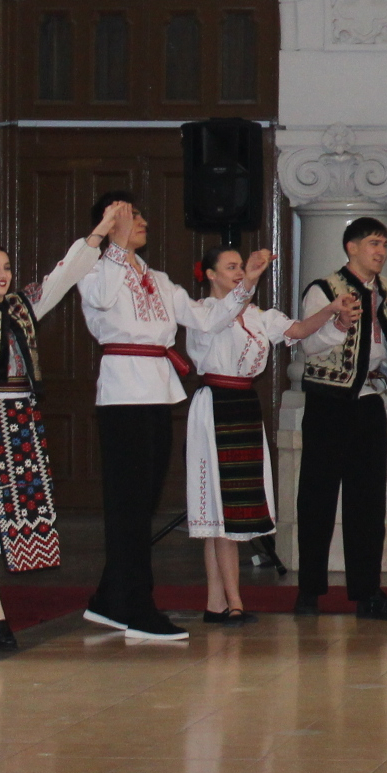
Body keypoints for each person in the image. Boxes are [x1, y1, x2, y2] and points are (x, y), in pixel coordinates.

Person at [75, 192, 269, 643]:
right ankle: (135, 606)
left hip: (158, 390)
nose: (141, 221)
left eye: (140, 214)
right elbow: (100, 298)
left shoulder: (158, 278)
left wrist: (247, 283)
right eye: (131, 215)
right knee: (127, 505)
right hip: (123, 391)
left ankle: (110, 599)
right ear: (109, 223)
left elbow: (207, 319)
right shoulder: (94, 269)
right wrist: (114, 244)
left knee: (142, 501)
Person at [0, 177, 101, 650]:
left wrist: (96, 237)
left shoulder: (23, 306)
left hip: (21, 419)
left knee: (7, 517)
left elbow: (63, 276)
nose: (3, 274)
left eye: (6, 267)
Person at [185, 245, 333, 625]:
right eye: (230, 267)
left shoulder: (257, 315)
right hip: (215, 406)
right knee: (218, 510)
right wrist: (250, 280)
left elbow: (298, 330)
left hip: (244, 406)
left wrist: (332, 310)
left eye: (242, 267)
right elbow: (222, 317)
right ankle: (232, 601)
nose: (238, 272)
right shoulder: (201, 312)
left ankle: (217, 603)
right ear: (210, 274)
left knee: (229, 509)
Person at [293, 216, 387, 620]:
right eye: (373, 243)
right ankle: (309, 590)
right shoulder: (323, 289)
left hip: (369, 401)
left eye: (384, 244)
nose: (381, 251)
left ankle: (368, 592)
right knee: (317, 497)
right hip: (328, 401)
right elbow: (308, 346)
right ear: (351, 247)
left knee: (368, 501)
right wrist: (338, 324)